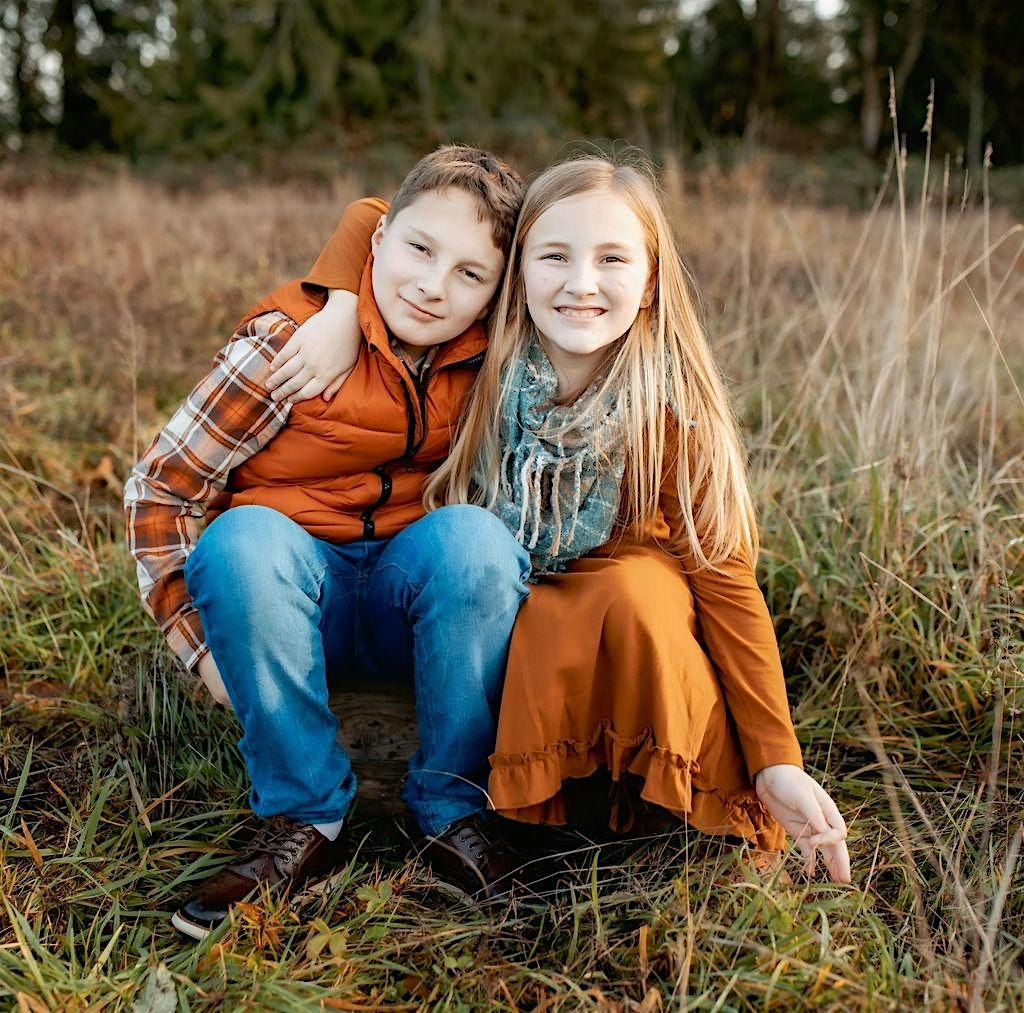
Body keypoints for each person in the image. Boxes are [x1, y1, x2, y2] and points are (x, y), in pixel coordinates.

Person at [275, 153, 851, 885]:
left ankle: (637, 809)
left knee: (626, 599)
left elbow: (725, 578)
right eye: (554, 256)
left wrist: (778, 760)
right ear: (515, 273)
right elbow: (372, 216)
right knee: (517, 611)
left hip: (617, 601)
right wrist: (334, 308)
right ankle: (505, 810)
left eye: (613, 258)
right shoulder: (485, 352)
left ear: (650, 283)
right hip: (493, 584)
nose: (582, 283)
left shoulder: (667, 406)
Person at [124, 145, 532, 941]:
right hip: (287, 599)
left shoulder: (496, 363)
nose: (432, 286)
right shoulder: (291, 346)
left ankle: (449, 810)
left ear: (496, 292)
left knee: (478, 542)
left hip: (405, 600)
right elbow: (159, 492)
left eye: (469, 274)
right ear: (377, 243)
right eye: (418, 249)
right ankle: (305, 818)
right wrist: (196, 644)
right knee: (241, 539)